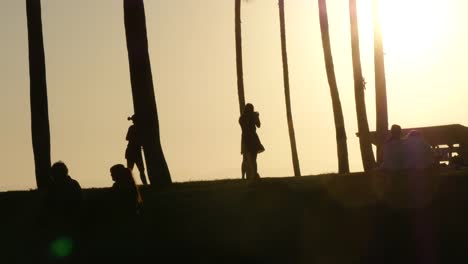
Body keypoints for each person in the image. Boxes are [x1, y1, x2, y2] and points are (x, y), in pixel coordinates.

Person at [239, 103, 265, 181]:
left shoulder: (241, 118)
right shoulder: (252, 117)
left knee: (245, 159)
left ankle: (244, 176)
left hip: (245, 138)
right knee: (253, 158)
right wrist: (256, 117)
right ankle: (254, 174)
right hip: (252, 138)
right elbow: (259, 125)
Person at [125, 114, 148, 185]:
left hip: (132, 151)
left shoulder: (132, 128)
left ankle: (129, 184)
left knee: (132, 170)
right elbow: (127, 138)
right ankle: (144, 184)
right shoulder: (139, 129)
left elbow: (127, 138)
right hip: (134, 151)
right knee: (139, 170)